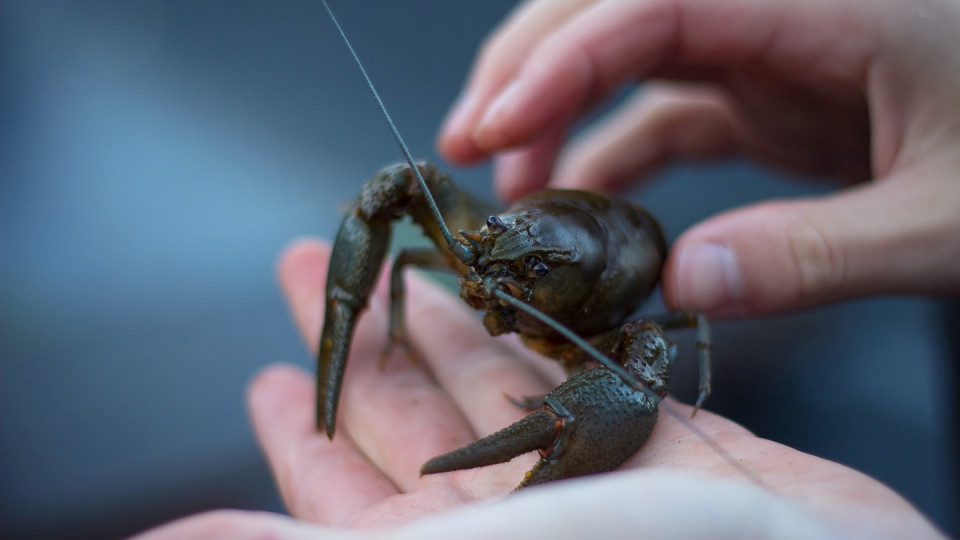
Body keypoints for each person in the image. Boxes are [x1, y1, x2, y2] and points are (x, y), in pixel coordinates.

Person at [137, 0, 958, 537]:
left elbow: (662, 349)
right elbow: (395, 195)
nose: (483, 276)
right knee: (402, 182)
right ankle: (372, 326)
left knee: (641, 368)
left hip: (607, 284)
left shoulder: (619, 319)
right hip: (557, 231)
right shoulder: (492, 241)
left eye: (520, 272)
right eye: (494, 245)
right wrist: (382, 302)